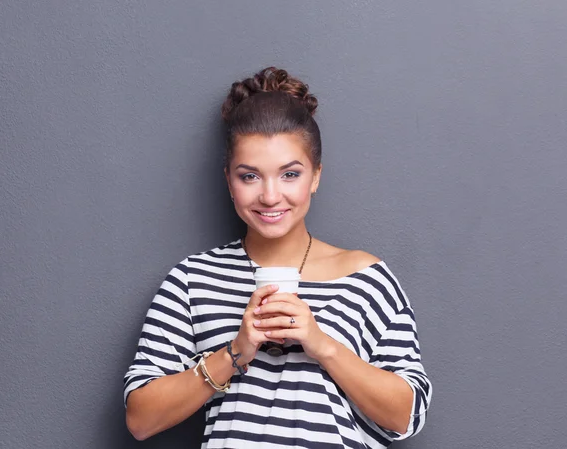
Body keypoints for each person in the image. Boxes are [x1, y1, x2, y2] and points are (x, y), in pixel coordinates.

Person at [123, 67, 432, 448]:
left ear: (316, 176)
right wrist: (235, 352)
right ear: (228, 180)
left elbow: (409, 416)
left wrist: (323, 346)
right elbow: (140, 418)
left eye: (290, 174)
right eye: (250, 176)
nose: (270, 196)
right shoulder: (191, 280)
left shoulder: (366, 278)